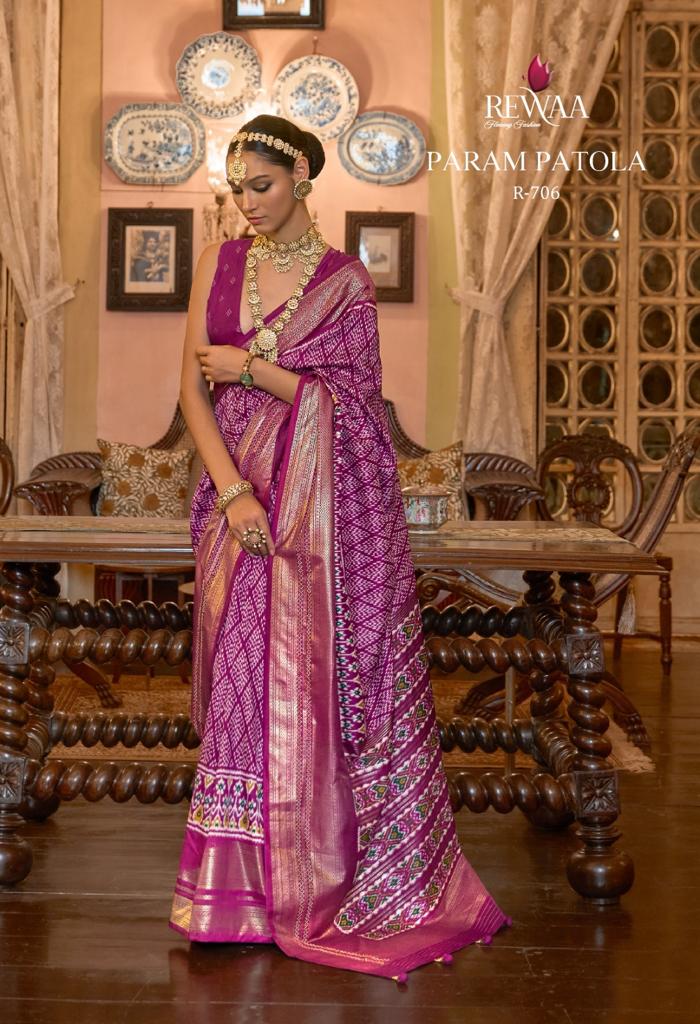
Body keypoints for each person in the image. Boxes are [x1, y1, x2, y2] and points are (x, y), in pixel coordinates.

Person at [170, 114, 509, 981]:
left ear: (302, 179)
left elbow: (354, 407)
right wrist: (235, 493)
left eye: (262, 186)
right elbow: (191, 392)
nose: (247, 204)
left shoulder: (345, 282)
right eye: (238, 189)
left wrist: (252, 369)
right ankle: (230, 895)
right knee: (242, 678)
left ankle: (313, 876)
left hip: (320, 512)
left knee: (310, 681)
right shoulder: (219, 262)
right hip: (239, 499)